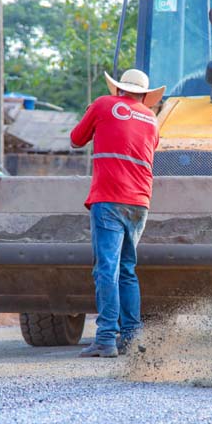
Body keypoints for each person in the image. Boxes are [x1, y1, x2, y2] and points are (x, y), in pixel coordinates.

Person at [70, 69, 164, 358]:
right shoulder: (152, 119)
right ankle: (133, 337)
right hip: (139, 203)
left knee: (106, 269)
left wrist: (91, 114)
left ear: (118, 89)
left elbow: (76, 139)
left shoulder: (102, 105)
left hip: (109, 198)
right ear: (145, 95)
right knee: (127, 269)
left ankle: (106, 338)